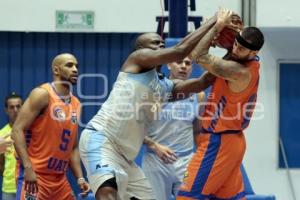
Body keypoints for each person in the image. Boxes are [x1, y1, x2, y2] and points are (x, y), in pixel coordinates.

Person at [79, 15, 218, 200]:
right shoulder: (136, 60)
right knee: (107, 192)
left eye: (162, 43)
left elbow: (203, 82)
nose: (160, 46)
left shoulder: (165, 88)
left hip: (127, 158)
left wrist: (236, 53)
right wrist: (215, 22)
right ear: (141, 50)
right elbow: (179, 50)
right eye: (155, 43)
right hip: (102, 140)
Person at [177, 9, 264, 200]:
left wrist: (216, 25)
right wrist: (223, 35)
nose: (235, 49)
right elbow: (220, 62)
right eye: (234, 44)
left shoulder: (238, 71)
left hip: (219, 143)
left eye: (241, 49)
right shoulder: (238, 60)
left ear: (254, 52)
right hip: (231, 141)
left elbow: (198, 56)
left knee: (185, 195)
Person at [11, 53, 90, 200]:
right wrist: (28, 168)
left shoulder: (76, 104)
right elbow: (17, 130)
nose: (75, 69)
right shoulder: (42, 94)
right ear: (56, 70)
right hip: (35, 175)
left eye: (76, 66)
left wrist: (80, 178)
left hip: (59, 179)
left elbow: (73, 147)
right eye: (69, 65)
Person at [142, 57, 206, 200]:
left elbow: (197, 131)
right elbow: (134, 130)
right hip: (156, 160)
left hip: (186, 161)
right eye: (179, 62)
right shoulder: (153, 92)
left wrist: (201, 158)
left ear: (192, 68)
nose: (183, 66)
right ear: (169, 64)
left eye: (188, 63)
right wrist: (154, 146)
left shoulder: (199, 95)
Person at [0, 92, 22, 200]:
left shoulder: (30, 131)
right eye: (11, 107)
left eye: (18, 106)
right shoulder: (1, 134)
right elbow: (0, 164)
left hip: (27, 187)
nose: (15, 110)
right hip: (9, 189)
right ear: (6, 110)